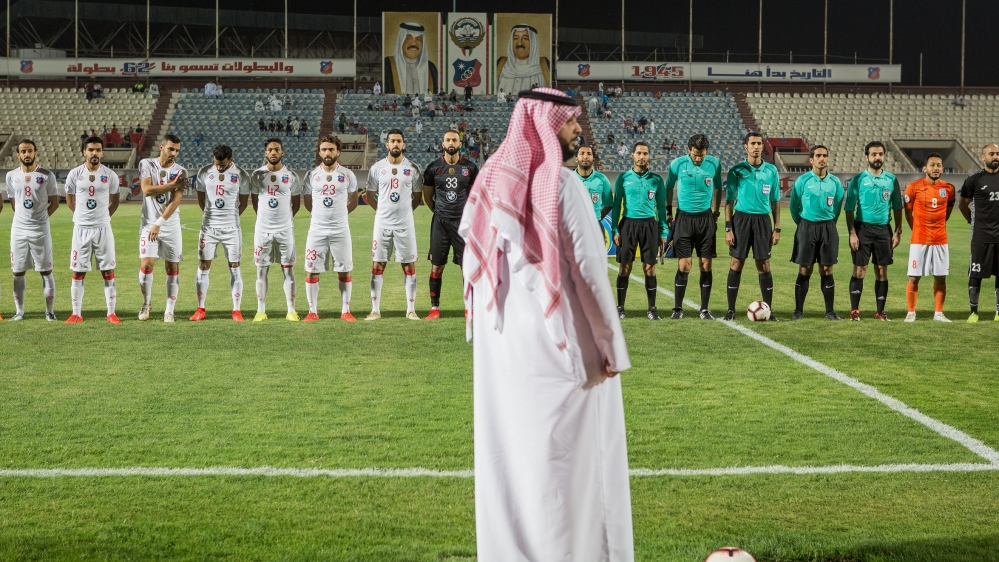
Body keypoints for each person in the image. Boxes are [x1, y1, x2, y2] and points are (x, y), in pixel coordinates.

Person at [457, 88, 632, 560]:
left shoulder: (490, 180)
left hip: (502, 357)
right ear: (545, 122)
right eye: (570, 120)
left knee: (511, 464)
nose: (578, 129)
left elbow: (473, 266)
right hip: (562, 353)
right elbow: (591, 273)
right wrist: (610, 348)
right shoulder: (562, 185)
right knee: (574, 473)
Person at [723, 132, 782, 321]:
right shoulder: (737, 170)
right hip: (741, 220)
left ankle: (768, 310)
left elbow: (775, 201)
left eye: (759, 143)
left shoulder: (771, 171)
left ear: (763, 146)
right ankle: (731, 310)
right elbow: (729, 201)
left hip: (763, 221)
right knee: (736, 262)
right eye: (752, 143)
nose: (756, 146)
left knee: (764, 264)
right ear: (746, 146)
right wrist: (728, 228)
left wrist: (777, 228)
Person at [365, 129, 422, 320]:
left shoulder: (412, 168)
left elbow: (417, 197)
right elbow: (370, 195)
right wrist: (382, 212)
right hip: (382, 224)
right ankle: (375, 310)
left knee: (408, 264)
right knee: (378, 264)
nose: (396, 144)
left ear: (403, 144)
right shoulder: (377, 168)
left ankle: (411, 310)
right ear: (387, 144)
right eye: (392, 141)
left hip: (405, 225)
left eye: (399, 141)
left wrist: (405, 213)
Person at [665, 134, 724, 319]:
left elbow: (718, 188)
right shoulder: (677, 164)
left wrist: (716, 213)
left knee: (706, 264)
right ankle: (677, 309)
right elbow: (668, 187)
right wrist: (668, 212)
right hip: (684, 218)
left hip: (706, 219)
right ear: (688, 149)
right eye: (695, 155)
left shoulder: (714, 164)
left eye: (702, 155)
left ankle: (704, 309)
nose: (698, 159)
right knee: (685, 265)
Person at [421, 130, 478, 319]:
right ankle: (434, 308)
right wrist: (440, 212)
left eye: (454, 140)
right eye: (448, 140)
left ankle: (470, 308)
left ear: (460, 144)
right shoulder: (433, 168)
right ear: (443, 143)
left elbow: (475, 195)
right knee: (437, 266)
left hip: (463, 224)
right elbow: (428, 197)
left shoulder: (470, 167)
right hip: (440, 223)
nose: (451, 143)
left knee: (466, 267)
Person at [190, 144, 251, 322]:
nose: (219, 167)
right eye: (217, 163)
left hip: (231, 229)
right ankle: (200, 308)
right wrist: (211, 217)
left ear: (231, 160)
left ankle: (236, 310)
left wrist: (230, 218)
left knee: (234, 265)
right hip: (208, 228)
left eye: (223, 165)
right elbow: (201, 199)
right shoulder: (204, 172)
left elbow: (243, 202)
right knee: (203, 265)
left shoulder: (241, 174)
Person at [64, 136, 120, 323]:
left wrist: (103, 217)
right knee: (78, 272)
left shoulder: (110, 175)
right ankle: (76, 314)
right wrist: (82, 217)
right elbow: (70, 200)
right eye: (91, 150)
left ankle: (111, 313)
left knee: (108, 271)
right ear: (84, 152)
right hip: (81, 229)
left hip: (103, 228)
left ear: (102, 153)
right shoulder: (74, 174)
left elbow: (115, 201)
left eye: (98, 150)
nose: (94, 153)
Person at [844, 141, 903, 321]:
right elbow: (849, 208)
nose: (877, 157)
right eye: (874, 154)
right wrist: (852, 233)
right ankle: (855, 311)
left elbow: (897, 206)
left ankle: (880, 312)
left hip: (884, 230)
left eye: (880, 154)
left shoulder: (891, 180)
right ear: (867, 157)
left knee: (881, 270)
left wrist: (898, 231)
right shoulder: (858, 179)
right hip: (862, 229)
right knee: (860, 269)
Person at [302, 136, 359, 322]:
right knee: (312, 269)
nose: (327, 153)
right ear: (319, 152)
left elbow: (353, 201)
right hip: (316, 230)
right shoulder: (311, 175)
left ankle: (345, 311)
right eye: (324, 149)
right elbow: (308, 202)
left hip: (340, 230)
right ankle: (312, 311)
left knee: (344, 270)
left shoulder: (348, 175)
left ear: (338, 152)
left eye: (331, 149)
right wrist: (320, 217)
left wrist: (339, 216)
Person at [2, 140, 59, 321]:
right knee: (18, 271)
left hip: (40, 230)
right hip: (18, 230)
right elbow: (14, 203)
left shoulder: (47, 175)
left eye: (30, 151)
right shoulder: (11, 176)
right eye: (23, 151)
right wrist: (23, 219)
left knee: (46, 271)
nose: (27, 154)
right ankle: (19, 312)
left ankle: (50, 312)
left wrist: (41, 219)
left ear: (35, 153)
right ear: (18, 155)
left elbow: (55, 203)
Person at [611, 142, 668, 320]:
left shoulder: (656, 180)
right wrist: (615, 229)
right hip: (628, 225)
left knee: (650, 268)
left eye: (645, 153)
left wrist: (663, 232)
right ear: (632, 155)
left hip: (650, 225)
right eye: (638, 153)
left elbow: (661, 208)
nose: (642, 156)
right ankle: (620, 308)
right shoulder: (623, 178)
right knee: (625, 267)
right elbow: (616, 205)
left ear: (649, 156)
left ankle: (652, 309)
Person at [249, 138, 303, 322]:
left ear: (282, 152)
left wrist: (284, 219)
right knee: (261, 270)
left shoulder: (291, 176)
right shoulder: (257, 175)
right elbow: (255, 202)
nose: (273, 152)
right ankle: (261, 311)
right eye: (270, 149)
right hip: (262, 230)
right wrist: (266, 219)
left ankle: (291, 311)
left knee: (288, 269)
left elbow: (296, 204)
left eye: (277, 149)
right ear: (266, 153)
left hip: (285, 229)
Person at [136, 134, 188, 322]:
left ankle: (169, 310)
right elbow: (147, 190)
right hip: (148, 224)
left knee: (172, 266)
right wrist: (172, 185)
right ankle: (146, 303)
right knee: (146, 265)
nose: (174, 153)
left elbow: (175, 201)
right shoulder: (147, 164)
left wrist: (159, 223)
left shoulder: (181, 171)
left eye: (177, 150)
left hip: (170, 225)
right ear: (161, 147)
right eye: (171, 149)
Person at [789, 145, 844, 320]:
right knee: (805, 268)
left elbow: (837, 206)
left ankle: (830, 312)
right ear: (811, 160)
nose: (822, 159)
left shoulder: (835, 182)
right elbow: (794, 206)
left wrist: (829, 224)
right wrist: (803, 224)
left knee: (827, 268)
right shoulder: (803, 180)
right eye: (818, 156)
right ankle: (798, 311)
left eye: (825, 155)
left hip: (828, 227)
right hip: (807, 227)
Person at [903, 153, 955, 322]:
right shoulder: (914, 187)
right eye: (932, 165)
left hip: (940, 240)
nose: (936, 168)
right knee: (913, 276)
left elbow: (948, 211)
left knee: (940, 277)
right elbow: (908, 212)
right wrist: (917, 229)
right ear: (925, 168)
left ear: (943, 168)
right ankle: (911, 312)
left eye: (939, 165)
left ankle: (938, 313)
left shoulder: (949, 188)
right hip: (919, 240)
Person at [959, 143, 999, 322]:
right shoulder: (974, 180)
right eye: (992, 154)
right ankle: (973, 312)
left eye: (998, 154)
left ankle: (998, 312)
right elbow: (963, 204)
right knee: (975, 274)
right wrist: (972, 221)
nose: (995, 157)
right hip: (980, 236)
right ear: (983, 157)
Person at [384, 22, 439, 94]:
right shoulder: (387, 64)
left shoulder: (431, 67)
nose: (414, 43)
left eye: (418, 39)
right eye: (409, 38)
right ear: (401, 41)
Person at [574, 145, 612, 221]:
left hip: (595, 224)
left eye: (589, 154)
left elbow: (609, 204)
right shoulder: (568, 179)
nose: (585, 157)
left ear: (593, 159)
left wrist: (597, 219)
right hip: (573, 224)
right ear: (576, 159)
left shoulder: (602, 179)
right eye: (582, 153)